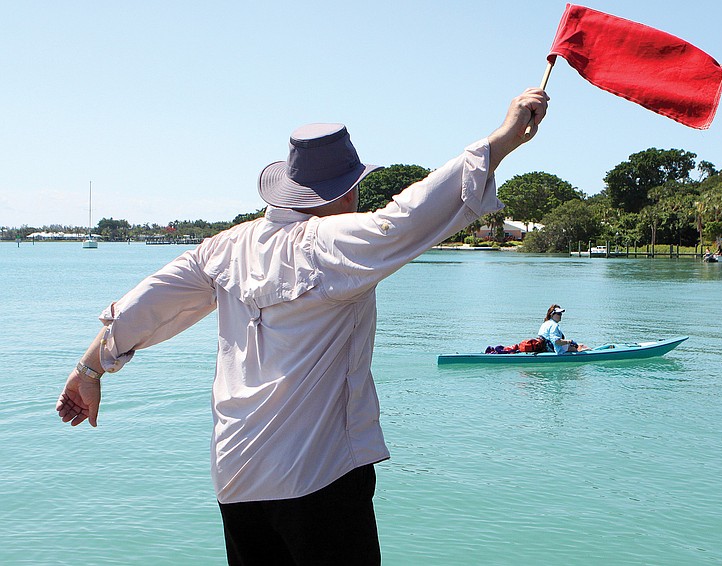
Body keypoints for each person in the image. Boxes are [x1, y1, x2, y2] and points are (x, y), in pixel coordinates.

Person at [55, 88, 549, 565]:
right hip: (319, 478)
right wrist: (501, 141)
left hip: (237, 477)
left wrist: (89, 370)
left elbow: (145, 307)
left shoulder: (222, 248)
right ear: (346, 190)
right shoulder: (332, 243)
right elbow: (408, 218)